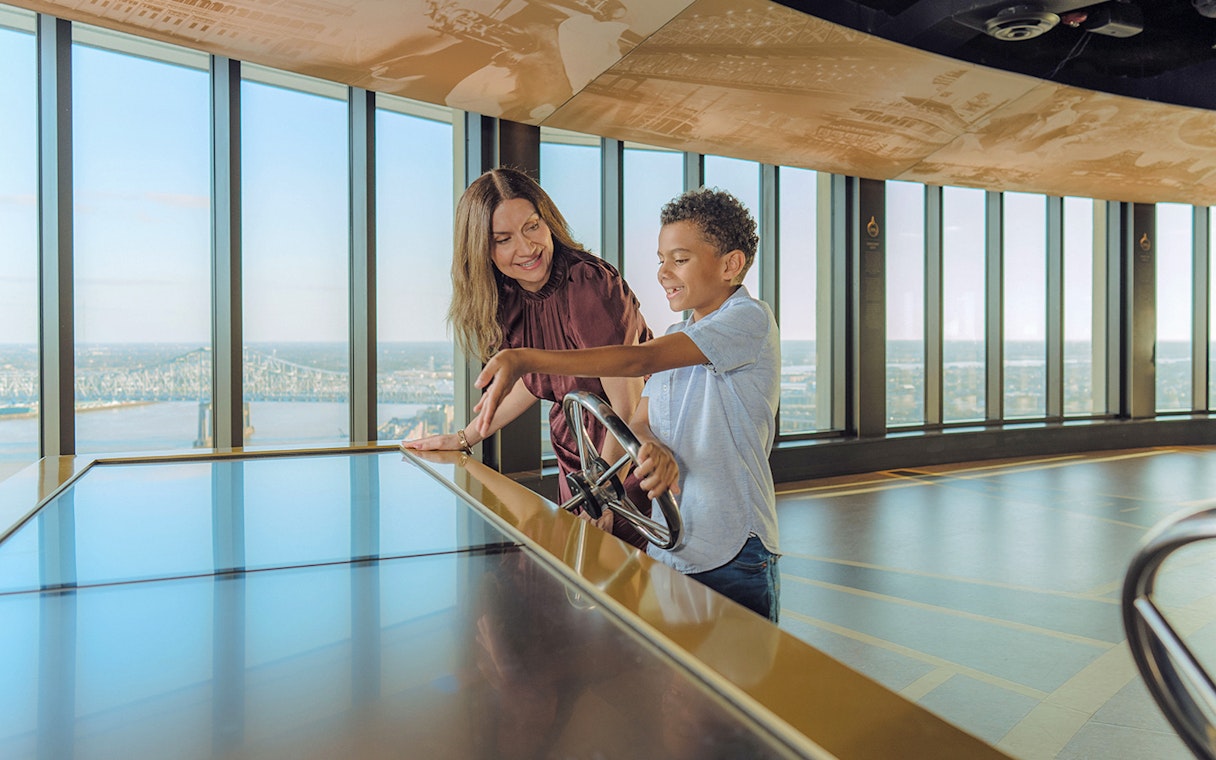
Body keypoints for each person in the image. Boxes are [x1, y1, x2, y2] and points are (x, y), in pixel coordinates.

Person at [473, 188, 782, 622]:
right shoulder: (681, 333)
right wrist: (650, 445)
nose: (662, 273)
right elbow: (639, 418)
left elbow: (639, 359)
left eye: (680, 259)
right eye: (661, 259)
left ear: (730, 265)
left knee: (742, 685)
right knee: (678, 686)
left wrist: (525, 357)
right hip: (672, 547)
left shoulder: (747, 320)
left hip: (735, 551)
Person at [402, 167, 655, 548]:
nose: (526, 247)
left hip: (626, 456)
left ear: (547, 221)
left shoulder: (586, 283)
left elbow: (625, 403)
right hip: (577, 457)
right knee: (579, 584)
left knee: (621, 587)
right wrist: (465, 437)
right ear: (482, 249)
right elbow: (535, 382)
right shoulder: (507, 295)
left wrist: (603, 490)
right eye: (503, 239)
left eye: (532, 227)